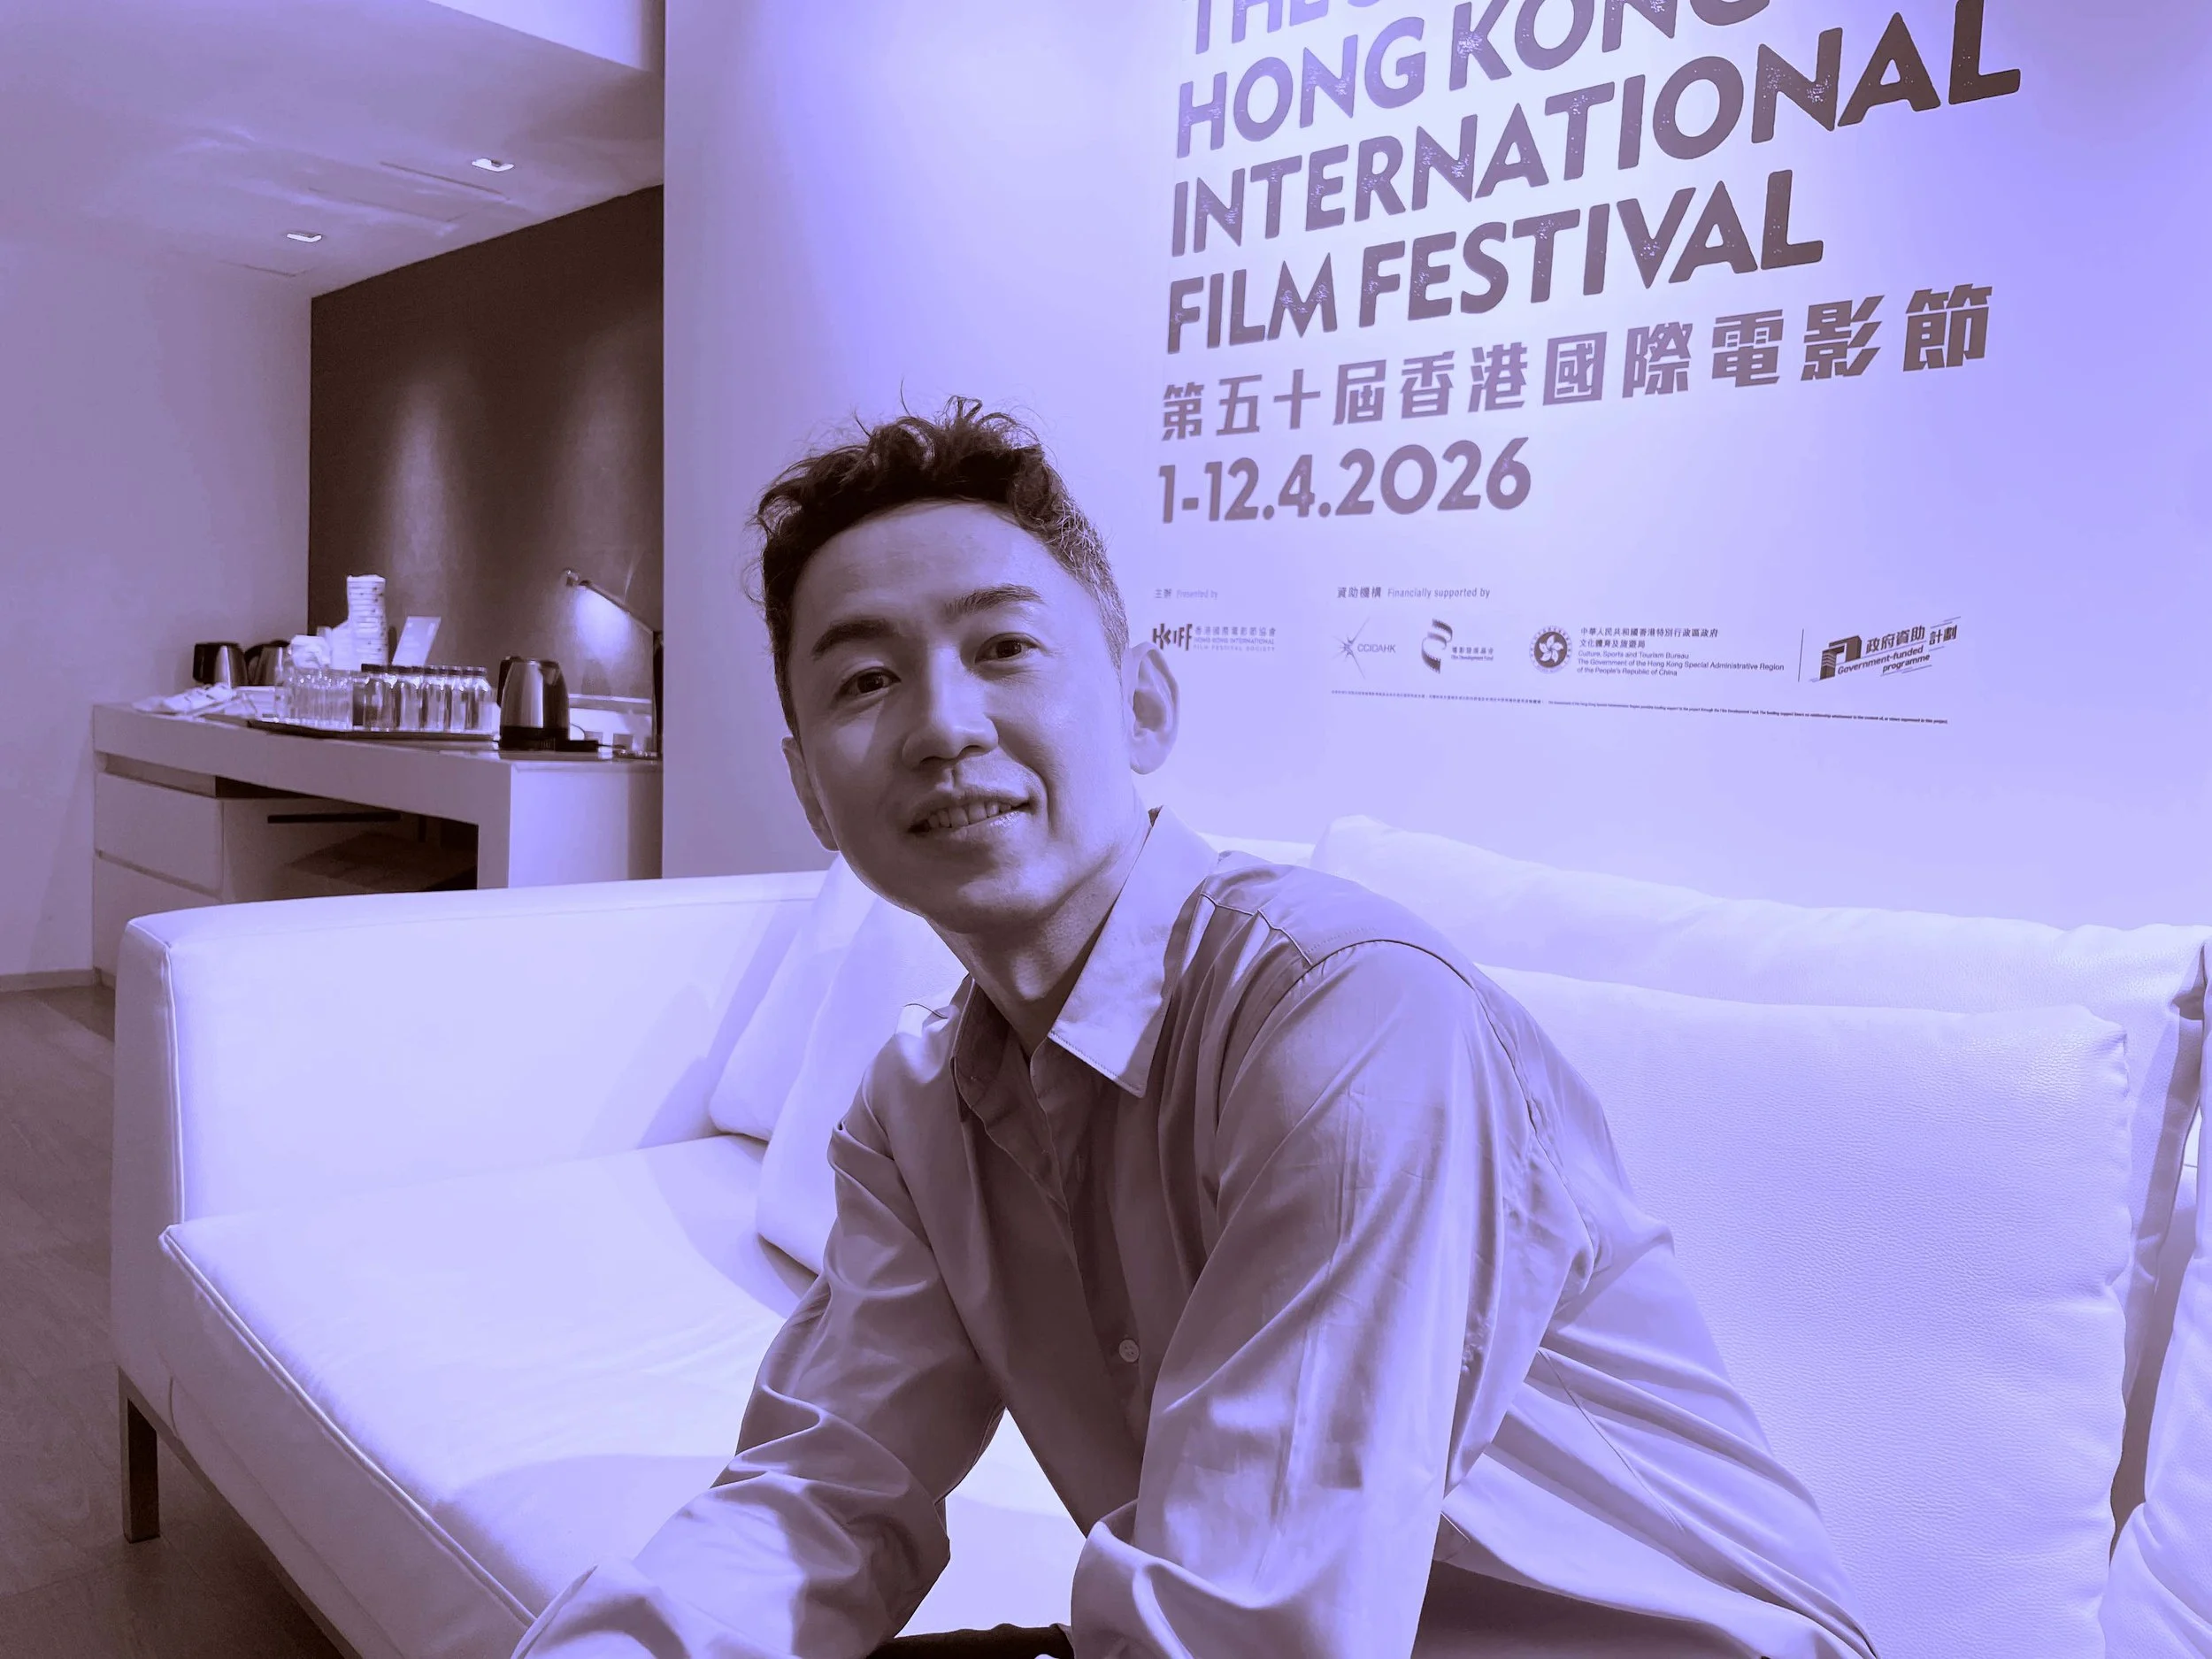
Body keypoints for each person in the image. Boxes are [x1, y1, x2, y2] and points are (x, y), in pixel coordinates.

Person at [517, 400, 1877, 1659]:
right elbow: (827, 1490)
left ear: (1144, 703)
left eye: (1003, 647)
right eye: (865, 680)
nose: (943, 724)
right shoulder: (917, 1110)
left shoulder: (1350, 1013)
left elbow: (1247, 1624)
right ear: (811, 790)